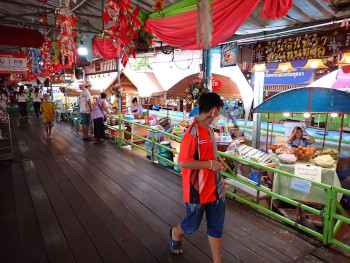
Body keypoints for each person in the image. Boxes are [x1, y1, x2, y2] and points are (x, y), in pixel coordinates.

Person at [170, 93, 227, 263]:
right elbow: (183, 162)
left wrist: (218, 161)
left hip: (216, 188)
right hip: (197, 190)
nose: (219, 115)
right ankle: (176, 232)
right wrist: (210, 164)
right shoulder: (191, 133)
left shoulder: (209, 130)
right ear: (214, 111)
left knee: (216, 227)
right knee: (192, 225)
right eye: (219, 111)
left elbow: (210, 155)